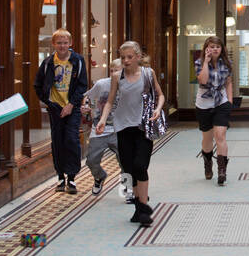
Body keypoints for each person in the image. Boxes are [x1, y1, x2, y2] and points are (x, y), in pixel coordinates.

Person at [96, 41, 165, 225]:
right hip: (123, 127)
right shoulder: (117, 77)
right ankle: (139, 208)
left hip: (143, 126)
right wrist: (103, 119)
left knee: (140, 165)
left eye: (129, 57)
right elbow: (110, 101)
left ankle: (143, 210)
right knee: (129, 169)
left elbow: (160, 94)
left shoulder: (148, 74)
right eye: (123, 57)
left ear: (138, 57)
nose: (125, 61)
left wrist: (157, 109)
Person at [35, 28, 88, 194]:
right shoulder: (48, 63)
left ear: (70, 43)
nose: (62, 46)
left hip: (72, 108)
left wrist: (72, 104)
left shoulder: (78, 61)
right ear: (53, 44)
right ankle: (60, 176)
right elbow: (38, 85)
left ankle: (71, 177)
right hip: (55, 108)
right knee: (57, 141)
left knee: (71, 139)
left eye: (65, 43)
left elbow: (82, 85)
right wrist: (49, 102)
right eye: (59, 43)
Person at [195, 36, 233, 185]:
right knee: (207, 138)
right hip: (203, 105)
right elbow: (203, 80)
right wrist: (205, 61)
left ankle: (222, 171)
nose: (215, 49)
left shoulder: (227, 64)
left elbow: (228, 82)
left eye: (217, 46)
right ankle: (208, 162)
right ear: (206, 48)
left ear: (221, 48)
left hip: (221, 104)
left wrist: (229, 101)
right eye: (212, 46)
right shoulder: (199, 62)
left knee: (220, 136)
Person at [84, 57, 124, 197]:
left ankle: (127, 186)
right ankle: (99, 176)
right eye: (112, 71)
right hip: (99, 129)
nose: (114, 74)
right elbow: (87, 96)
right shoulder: (102, 84)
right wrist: (86, 106)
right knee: (91, 160)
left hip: (120, 130)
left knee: (125, 161)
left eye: (117, 71)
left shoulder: (129, 86)